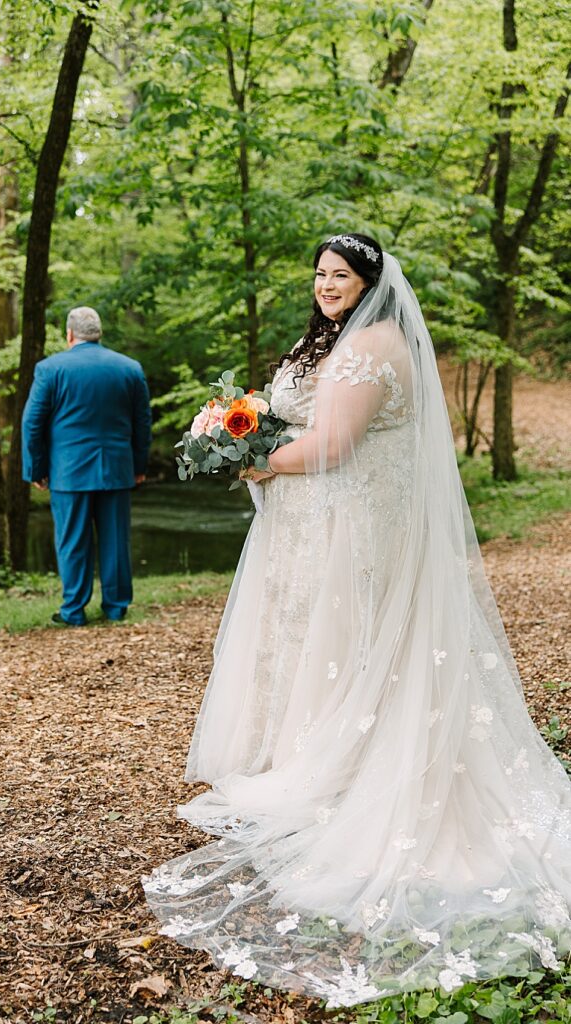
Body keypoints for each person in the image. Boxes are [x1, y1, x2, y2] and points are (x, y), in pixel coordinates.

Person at [143, 236, 571, 1006]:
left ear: (370, 283)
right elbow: (303, 422)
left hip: (355, 526)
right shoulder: (344, 340)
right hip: (327, 523)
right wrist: (242, 425)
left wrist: (253, 459)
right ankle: (315, 750)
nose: (325, 285)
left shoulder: (370, 348)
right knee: (332, 645)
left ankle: (343, 769)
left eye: (340, 276)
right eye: (318, 274)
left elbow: (335, 444)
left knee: (354, 645)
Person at [22, 306, 151, 626]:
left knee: (72, 541)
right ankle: (116, 606)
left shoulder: (50, 369)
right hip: (117, 468)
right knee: (116, 540)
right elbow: (142, 422)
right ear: (99, 333)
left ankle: (74, 610)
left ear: (69, 334)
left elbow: (32, 423)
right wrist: (139, 465)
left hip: (69, 470)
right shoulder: (129, 368)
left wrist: (36, 468)